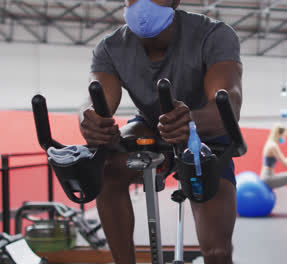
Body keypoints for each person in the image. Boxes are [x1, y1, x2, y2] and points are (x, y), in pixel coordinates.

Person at [78, 0, 242, 263]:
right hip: (153, 126)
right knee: (107, 166)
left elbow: (228, 103)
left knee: (217, 253)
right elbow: (95, 99)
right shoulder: (110, 48)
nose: (142, 3)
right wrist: (90, 119)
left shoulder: (213, 35)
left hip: (207, 134)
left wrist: (191, 121)